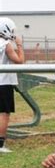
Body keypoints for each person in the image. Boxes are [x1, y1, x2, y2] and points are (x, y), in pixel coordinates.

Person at [0, 17, 25, 153]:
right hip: (3, 82)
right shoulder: (5, 44)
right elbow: (19, 61)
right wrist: (19, 45)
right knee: (4, 113)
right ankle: (0, 144)